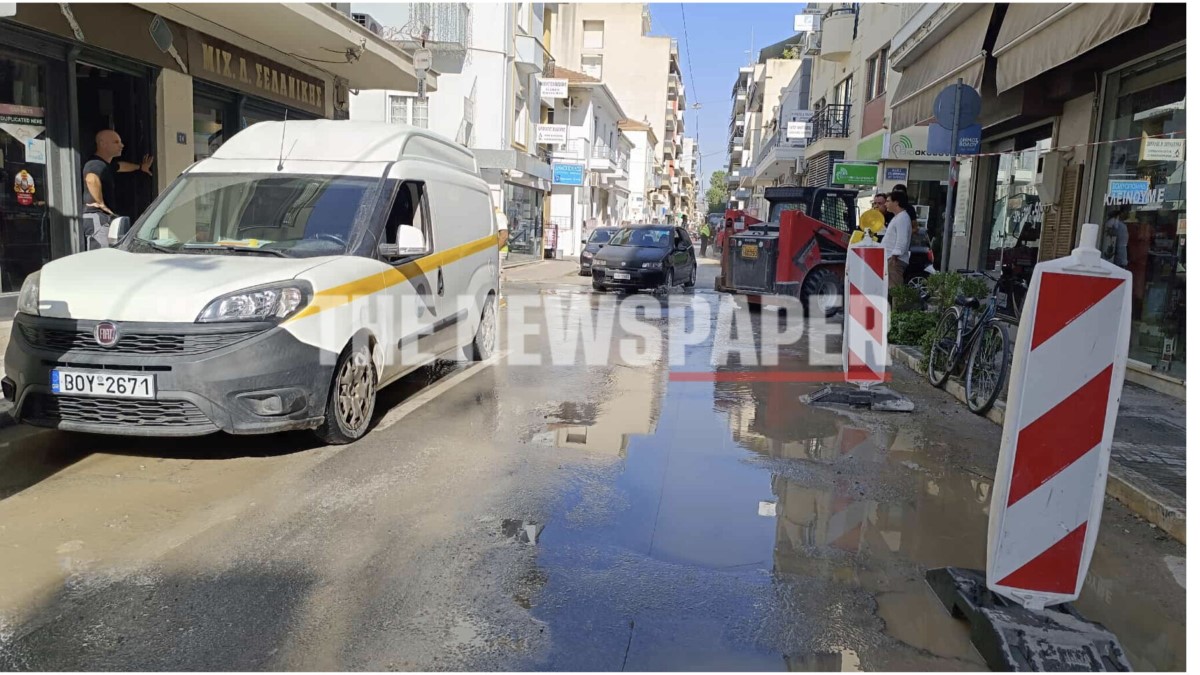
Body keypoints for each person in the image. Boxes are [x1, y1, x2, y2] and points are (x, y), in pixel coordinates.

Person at [82, 129, 153, 249]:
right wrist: (99, 202)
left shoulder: (106, 165)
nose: (122, 145)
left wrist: (141, 167)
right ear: (103, 143)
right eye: (116, 142)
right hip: (97, 218)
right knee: (100, 255)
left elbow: (121, 166)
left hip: (103, 218)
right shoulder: (94, 164)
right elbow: (91, 178)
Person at [882, 190, 912, 291]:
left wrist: (895, 256)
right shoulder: (898, 217)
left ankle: (896, 307)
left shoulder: (902, 218)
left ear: (896, 202)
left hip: (895, 259)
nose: (886, 204)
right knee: (890, 288)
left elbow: (902, 239)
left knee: (895, 289)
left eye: (888, 201)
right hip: (891, 258)